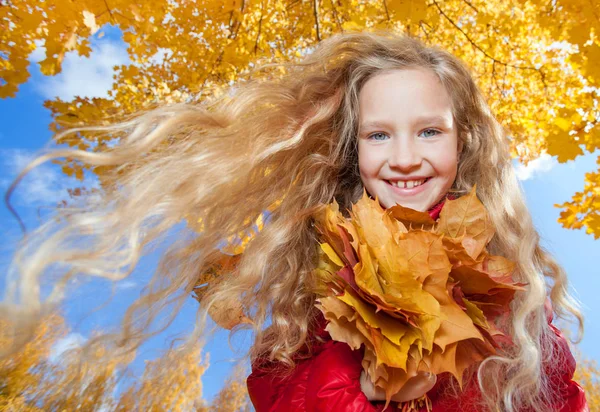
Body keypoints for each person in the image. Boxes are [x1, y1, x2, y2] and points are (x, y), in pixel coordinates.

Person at [1, 32, 588, 411]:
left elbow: (559, 391)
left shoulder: (508, 282)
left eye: (429, 131)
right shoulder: (312, 274)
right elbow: (278, 390)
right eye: (379, 135)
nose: (405, 156)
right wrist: (361, 386)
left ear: (465, 143)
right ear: (350, 149)